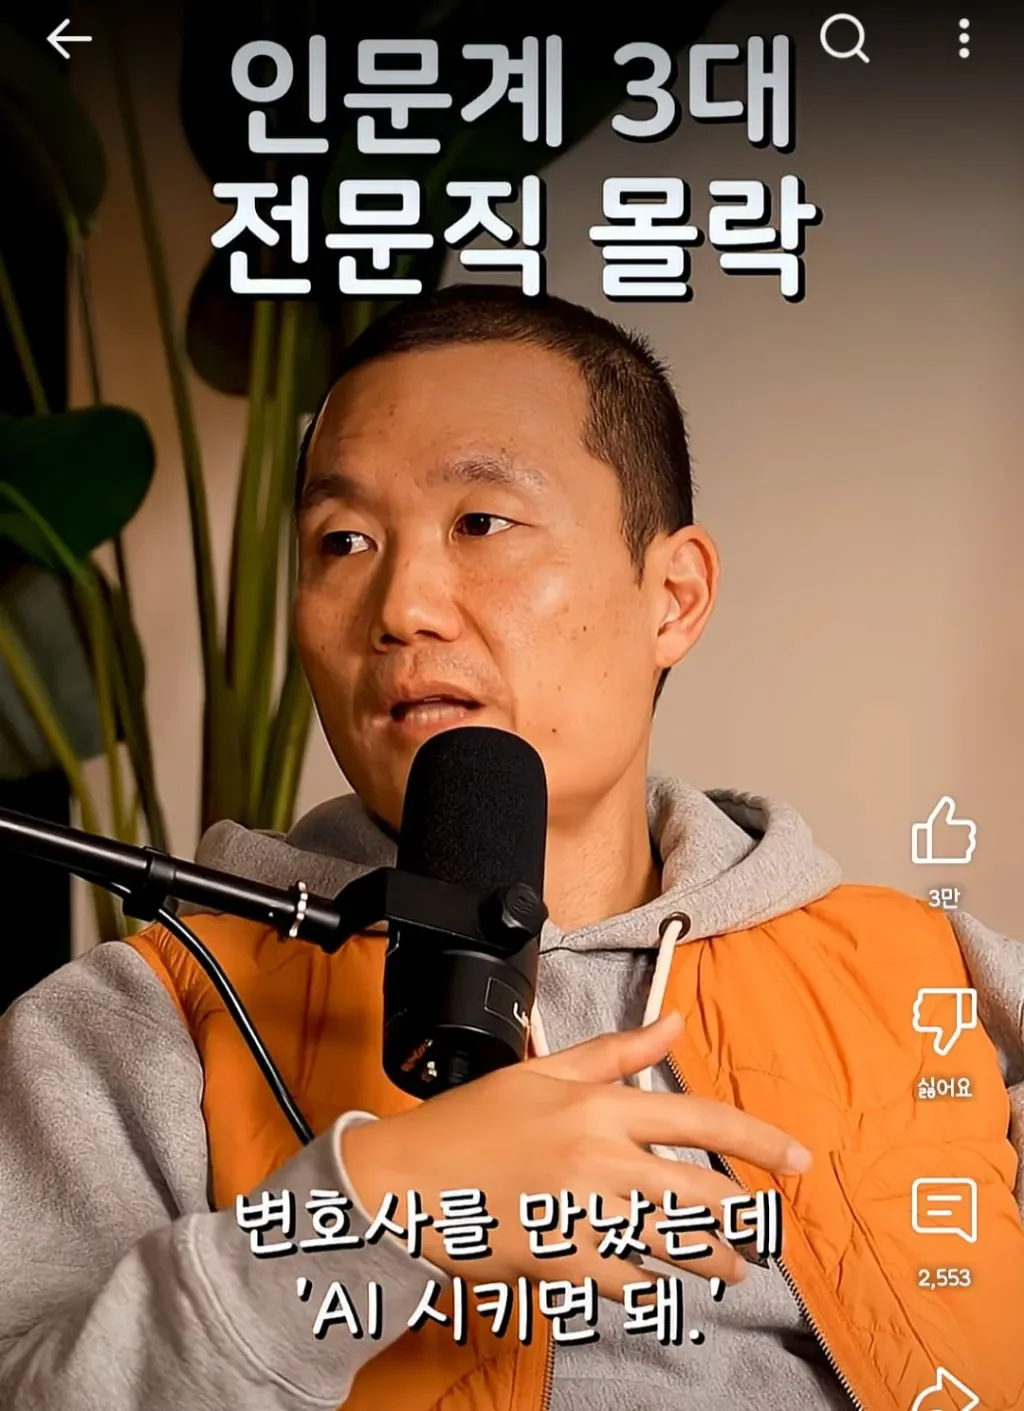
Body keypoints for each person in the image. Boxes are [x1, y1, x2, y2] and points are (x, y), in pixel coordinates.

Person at [0, 285, 1022, 1411]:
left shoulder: (928, 973)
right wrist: (367, 1211)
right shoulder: (147, 1018)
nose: (401, 606)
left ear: (673, 596)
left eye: (480, 523)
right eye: (343, 541)